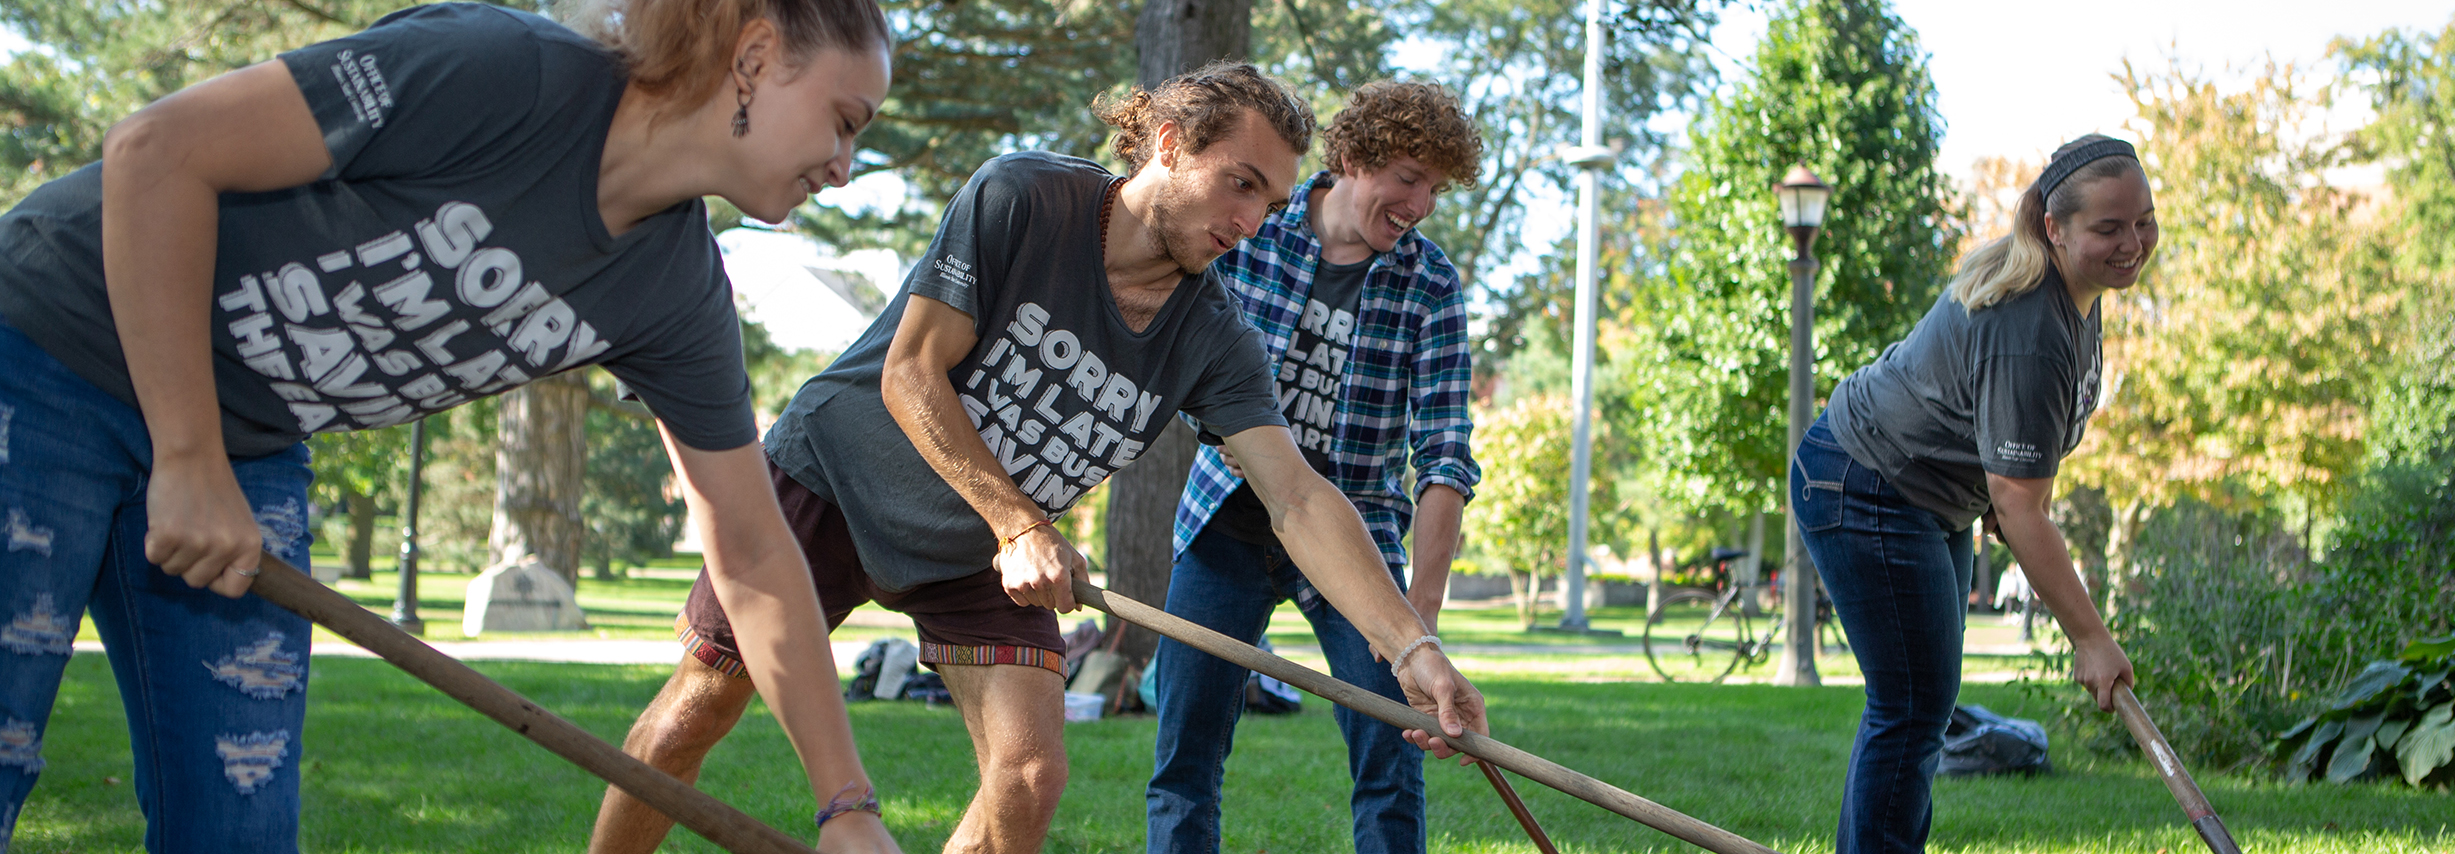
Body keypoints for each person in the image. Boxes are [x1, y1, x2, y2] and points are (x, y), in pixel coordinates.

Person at [0, 1, 903, 850]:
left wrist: (847, 805)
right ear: (752, 60)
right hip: (45, 350)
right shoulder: (507, 72)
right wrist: (187, 454)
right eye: (845, 119)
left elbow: (750, 553)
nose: (843, 166)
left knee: (238, 818)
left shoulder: (673, 292)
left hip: (243, 446)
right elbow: (155, 150)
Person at [593, 62, 1492, 854]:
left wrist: (1413, 649)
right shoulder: (1025, 196)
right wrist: (1019, 520)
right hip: (839, 478)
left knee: (1026, 779)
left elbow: (1297, 496)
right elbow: (912, 374)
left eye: (1268, 199)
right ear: (1170, 145)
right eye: (1240, 185)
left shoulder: (1216, 335)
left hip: (982, 552)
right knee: (696, 711)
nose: (1253, 222)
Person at [1145, 79, 1481, 854]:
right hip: (1225, 522)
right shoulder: (1251, 231)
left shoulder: (1431, 287)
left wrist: (1417, 623)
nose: (1421, 204)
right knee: (1185, 758)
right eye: (1408, 178)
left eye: (1435, 187)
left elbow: (1443, 455)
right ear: (1355, 158)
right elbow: (1176, 351)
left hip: (1353, 540)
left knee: (1393, 758)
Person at [1791, 133, 2151, 854]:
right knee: (1913, 705)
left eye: (2143, 219)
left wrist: (1999, 496)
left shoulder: (2080, 295)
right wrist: (2091, 638)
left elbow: (2005, 462)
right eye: (2108, 228)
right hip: (1866, 484)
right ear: (2055, 227)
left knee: (1919, 703)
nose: (2132, 243)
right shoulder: (2032, 324)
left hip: (1925, 494)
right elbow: (2021, 505)